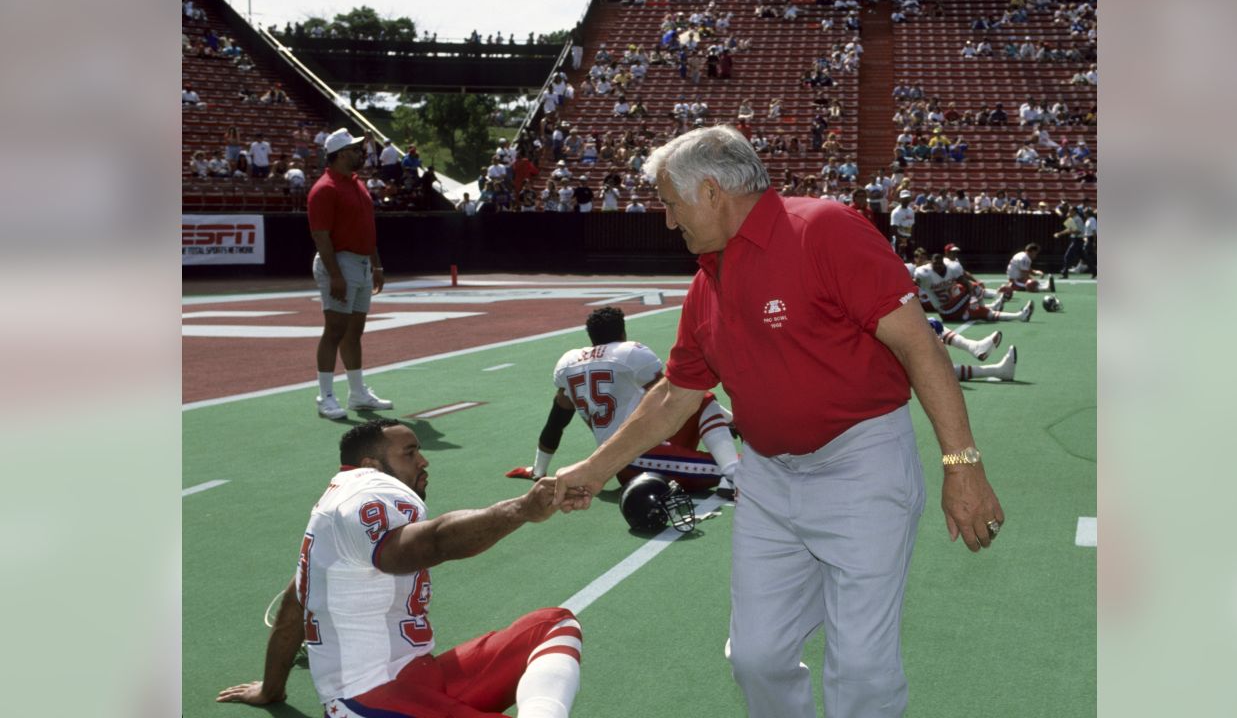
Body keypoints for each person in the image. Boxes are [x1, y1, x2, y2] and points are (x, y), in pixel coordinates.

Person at [551, 126, 1004, 718]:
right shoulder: (706, 284)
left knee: (863, 668)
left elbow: (921, 346)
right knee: (755, 657)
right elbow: (677, 394)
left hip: (860, 466)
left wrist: (962, 464)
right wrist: (592, 469)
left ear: (711, 191)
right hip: (767, 477)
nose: (667, 220)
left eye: (669, 202)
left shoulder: (823, 229)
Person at [216, 419, 582, 718]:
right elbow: (430, 544)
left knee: (552, 624)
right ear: (371, 465)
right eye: (410, 453)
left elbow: (295, 604)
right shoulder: (368, 488)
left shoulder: (334, 514)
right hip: (371, 700)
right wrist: (520, 510)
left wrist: (271, 687)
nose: (423, 461)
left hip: (416, 677)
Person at [509, 306, 740, 497]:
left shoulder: (568, 364)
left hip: (625, 452)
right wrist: (733, 421)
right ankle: (731, 474)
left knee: (700, 397)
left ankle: (729, 472)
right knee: (751, 469)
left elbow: (555, 423)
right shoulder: (629, 353)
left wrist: (538, 471)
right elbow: (675, 398)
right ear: (622, 334)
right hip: (635, 456)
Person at [307, 129, 395, 420]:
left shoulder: (356, 184)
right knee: (334, 329)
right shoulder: (325, 188)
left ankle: (357, 394)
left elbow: (366, 228)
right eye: (356, 149)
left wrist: (377, 264)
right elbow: (321, 235)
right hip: (341, 263)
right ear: (342, 153)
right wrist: (335, 274)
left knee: (354, 331)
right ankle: (326, 397)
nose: (361, 153)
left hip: (360, 264)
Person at [915, 253, 1032, 324]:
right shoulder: (923, 273)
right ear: (931, 264)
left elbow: (964, 282)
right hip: (945, 310)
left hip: (956, 307)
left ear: (944, 264)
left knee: (984, 313)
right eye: (935, 264)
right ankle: (981, 305)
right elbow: (913, 288)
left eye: (940, 264)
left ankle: (1019, 316)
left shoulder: (952, 268)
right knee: (974, 288)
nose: (938, 267)